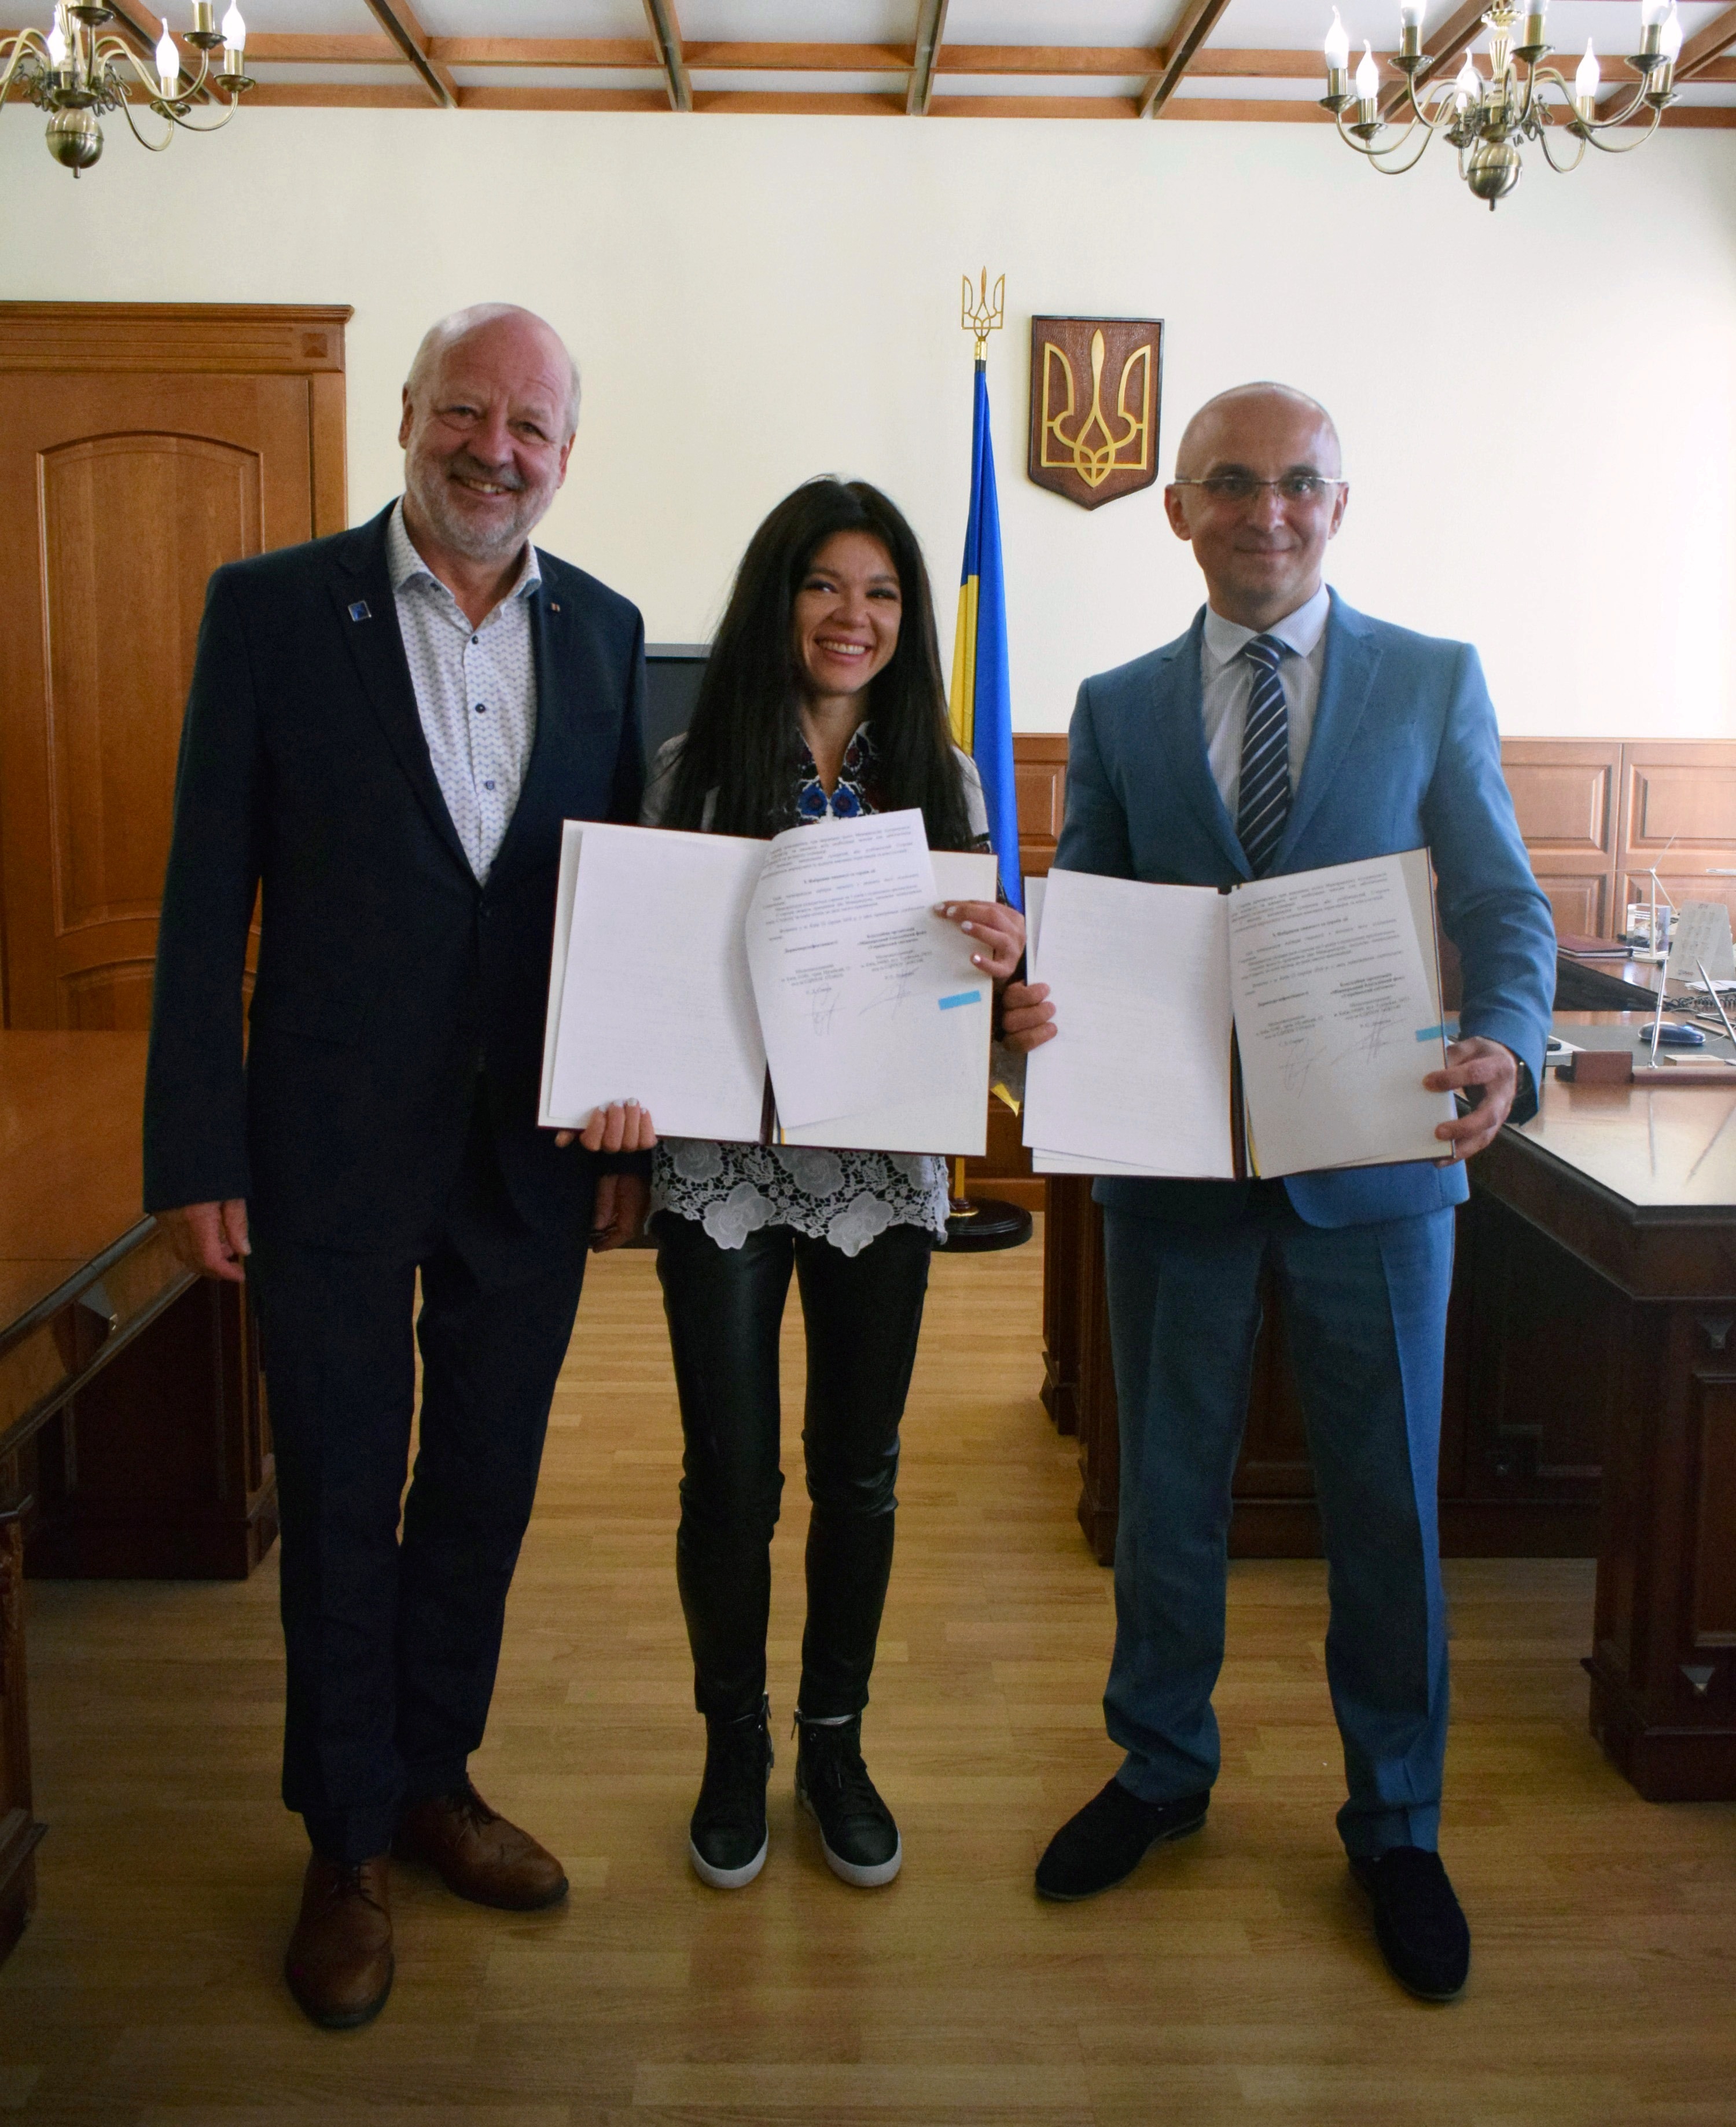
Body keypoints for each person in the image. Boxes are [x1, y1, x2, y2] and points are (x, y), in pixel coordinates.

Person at [144, 303, 653, 2031]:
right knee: (343, 1497)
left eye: (530, 426)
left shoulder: (607, 631)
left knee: (483, 1493)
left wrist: (635, 1125)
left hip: (533, 1156)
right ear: (410, 415)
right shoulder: (274, 611)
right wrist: (196, 1145)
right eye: (465, 412)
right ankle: (345, 1837)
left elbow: (622, 908)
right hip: (326, 1151)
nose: (494, 450)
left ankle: (436, 1777)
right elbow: (204, 893)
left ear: (566, 453)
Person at [1031, 383, 1554, 2003]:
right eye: (1234, 482)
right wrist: (1041, 990)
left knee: (1387, 1510)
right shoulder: (1117, 705)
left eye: (1299, 483)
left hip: (1381, 1173)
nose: (1269, 510)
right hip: (1174, 1173)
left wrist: (1509, 1039)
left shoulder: (1433, 679)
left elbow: (1506, 905)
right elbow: (1094, 914)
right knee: (1164, 1497)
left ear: (1341, 503)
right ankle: (1159, 1765)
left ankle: (1397, 1820)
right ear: (1179, 508)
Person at [637, 477, 1038, 1893]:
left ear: (906, 617)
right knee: (731, 1476)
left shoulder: (948, 780)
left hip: (879, 1163)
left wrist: (1005, 969)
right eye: (823, 584)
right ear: (778, 598)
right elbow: (644, 971)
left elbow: (976, 1012)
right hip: (723, 1169)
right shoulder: (690, 768)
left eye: (879, 592)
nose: (850, 616)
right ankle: (733, 1742)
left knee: (859, 1473)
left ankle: (834, 1742)